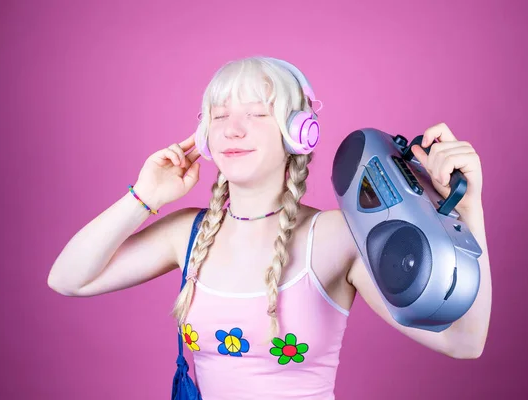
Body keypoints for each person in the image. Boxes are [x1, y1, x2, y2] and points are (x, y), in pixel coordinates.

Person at [47, 56, 491, 399]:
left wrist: (468, 210)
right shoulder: (187, 233)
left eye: (256, 114)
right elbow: (67, 279)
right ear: (203, 138)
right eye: (218, 116)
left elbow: (462, 341)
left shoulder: (335, 237)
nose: (232, 130)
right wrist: (144, 197)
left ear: (299, 133)